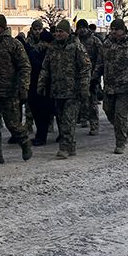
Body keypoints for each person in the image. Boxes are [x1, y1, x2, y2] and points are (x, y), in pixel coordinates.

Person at [0, 14, 33, 164]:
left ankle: (24, 142)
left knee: (13, 124)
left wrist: (23, 87)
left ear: (2, 27)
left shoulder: (13, 44)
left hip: (9, 91)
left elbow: (24, 66)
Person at [37, 20, 90, 159]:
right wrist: (41, 84)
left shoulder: (76, 47)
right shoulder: (53, 48)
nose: (58, 34)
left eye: (61, 32)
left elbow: (85, 68)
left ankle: (64, 148)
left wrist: (84, 87)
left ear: (68, 32)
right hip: (57, 90)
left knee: (68, 120)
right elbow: (45, 68)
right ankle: (71, 146)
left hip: (73, 91)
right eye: (57, 32)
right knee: (61, 120)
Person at [95, 19, 128, 155]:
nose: (113, 32)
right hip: (109, 86)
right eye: (111, 29)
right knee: (108, 111)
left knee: (120, 116)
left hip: (125, 86)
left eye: (116, 29)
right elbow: (100, 63)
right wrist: (95, 79)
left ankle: (120, 143)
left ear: (123, 30)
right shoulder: (106, 44)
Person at [24, 30, 55, 145]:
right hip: (38, 86)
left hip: (44, 86)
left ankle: (42, 136)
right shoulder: (35, 52)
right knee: (41, 112)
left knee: (43, 113)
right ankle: (41, 136)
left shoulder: (51, 53)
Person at [76, 19, 102, 136]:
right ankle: (82, 118)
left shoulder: (95, 41)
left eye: (83, 27)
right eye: (79, 27)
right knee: (79, 100)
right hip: (77, 75)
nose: (81, 29)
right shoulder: (75, 41)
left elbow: (101, 59)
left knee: (92, 100)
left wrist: (96, 76)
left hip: (91, 75)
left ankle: (94, 124)